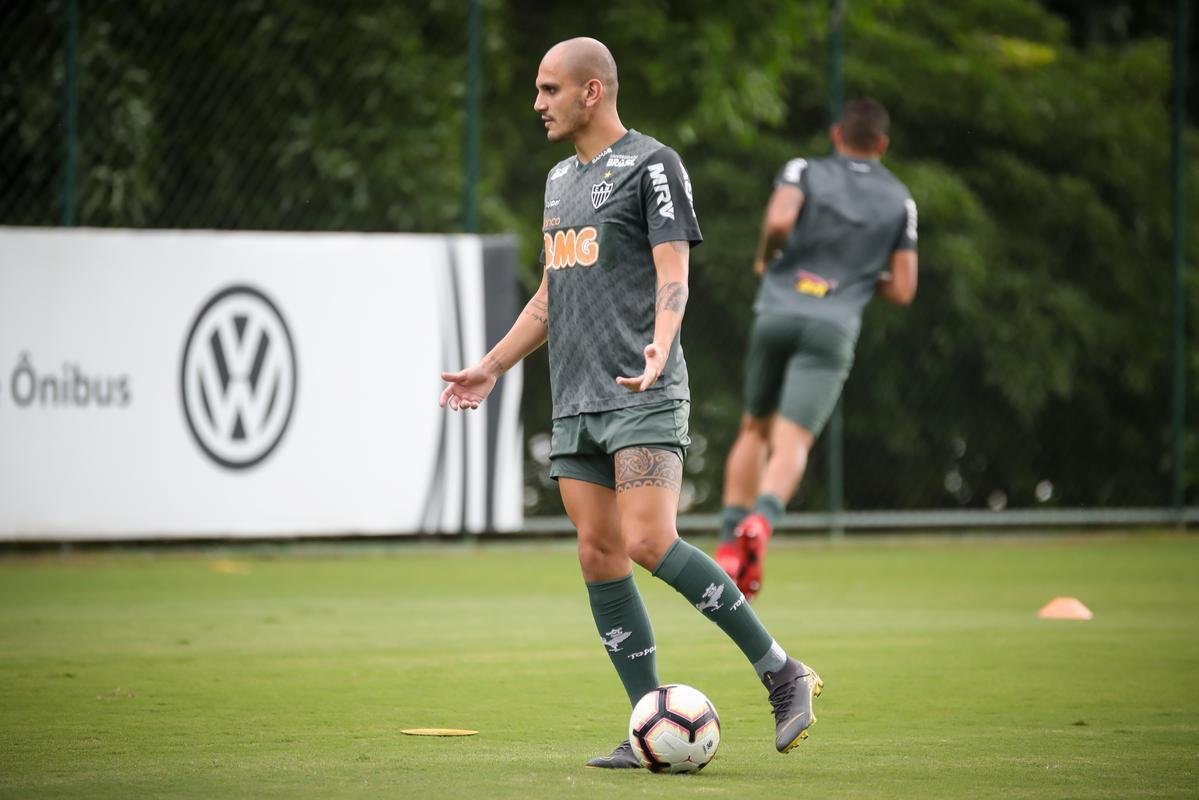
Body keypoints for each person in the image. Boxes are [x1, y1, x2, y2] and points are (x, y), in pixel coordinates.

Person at [439, 37, 822, 768]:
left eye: (549, 89)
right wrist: (490, 367)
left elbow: (673, 270)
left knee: (649, 540)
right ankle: (647, 721)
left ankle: (780, 673)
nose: (537, 103)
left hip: (641, 390)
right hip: (576, 400)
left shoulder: (653, 166)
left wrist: (661, 342)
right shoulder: (557, 182)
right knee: (598, 554)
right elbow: (553, 294)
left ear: (591, 92)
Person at [714, 99, 919, 602]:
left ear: (836, 134)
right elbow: (904, 289)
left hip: (779, 311)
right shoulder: (901, 199)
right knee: (794, 441)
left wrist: (767, 258)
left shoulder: (803, 168)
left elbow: (781, 221)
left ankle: (727, 544)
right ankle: (762, 522)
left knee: (753, 428)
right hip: (833, 324)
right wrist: (852, 279)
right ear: (882, 145)